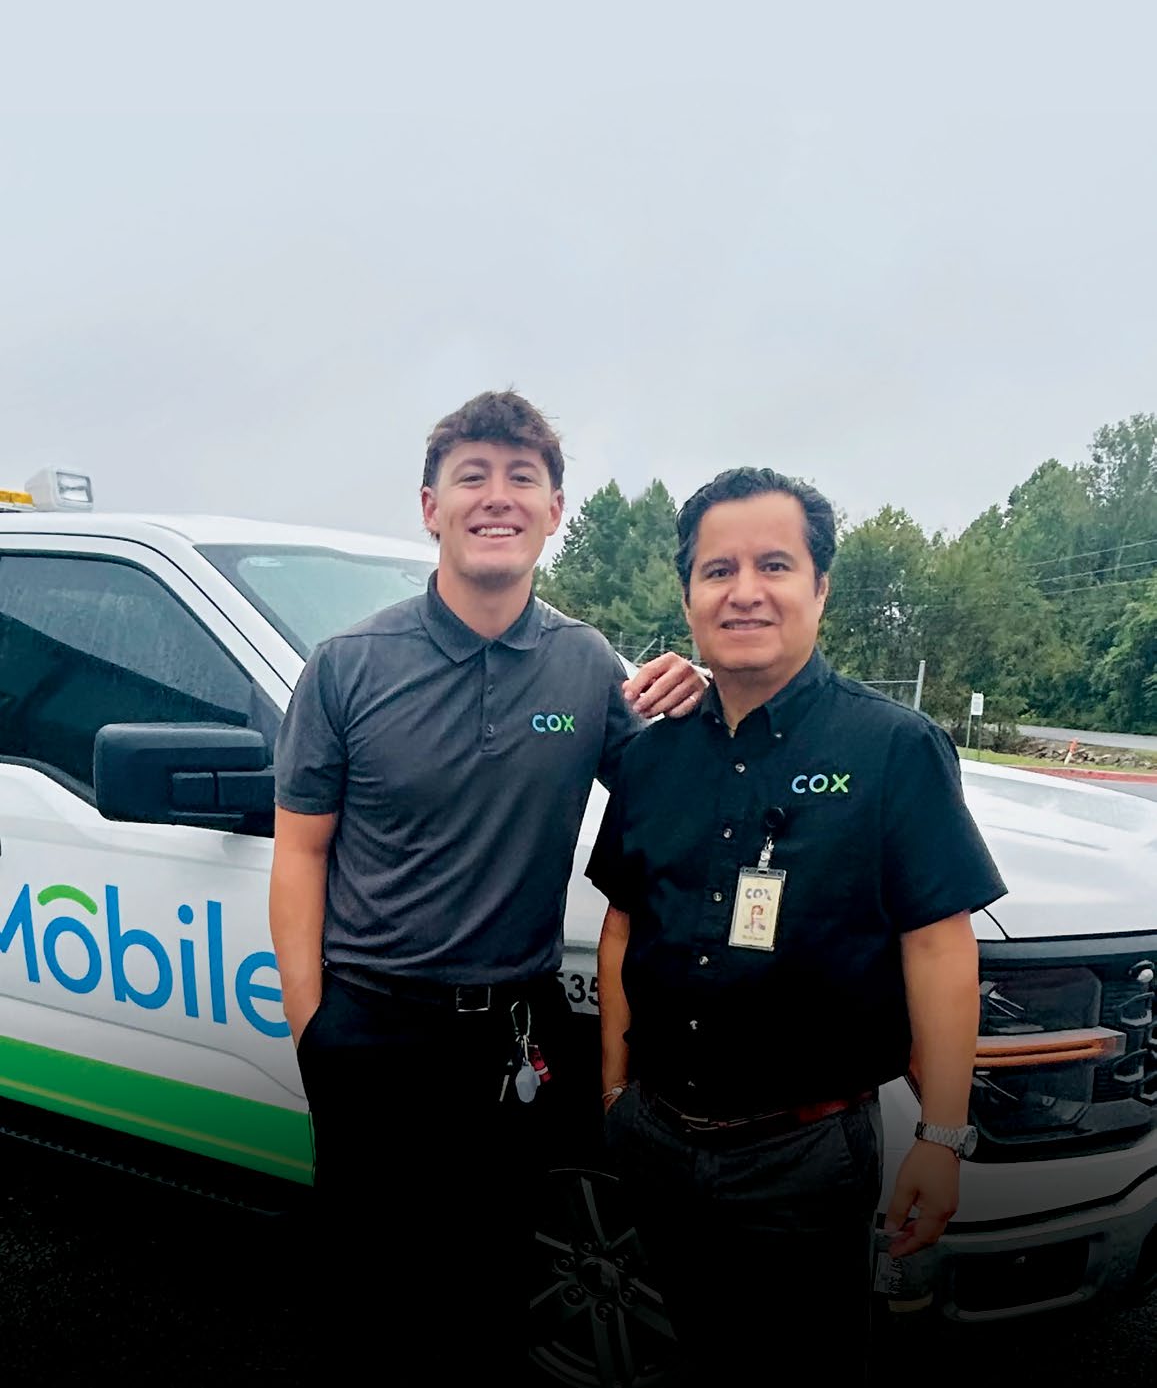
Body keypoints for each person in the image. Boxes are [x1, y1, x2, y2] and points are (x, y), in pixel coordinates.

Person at [269, 390, 704, 1378]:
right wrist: (314, 1028)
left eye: (522, 477)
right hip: (373, 1028)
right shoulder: (346, 667)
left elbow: (686, 797)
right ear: (430, 506)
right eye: (472, 475)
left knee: (494, 1285)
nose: (495, 496)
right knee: (370, 1290)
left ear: (554, 511)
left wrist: (707, 692)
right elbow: (299, 854)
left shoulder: (585, 663)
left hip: (516, 1031)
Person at [589, 466, 1007, 1382]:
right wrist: (617, 1094)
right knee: (699, 1351)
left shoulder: (893, 748)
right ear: (688, 594)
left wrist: (941, 1140)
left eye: (773, 564)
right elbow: (623, 922)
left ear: (819, 586)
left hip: (804, 1155)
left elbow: (939, 947)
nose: (744, 590)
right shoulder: (651, 757)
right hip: (656, 1135)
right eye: (716, 569)